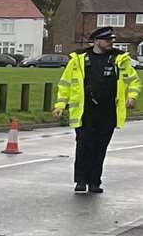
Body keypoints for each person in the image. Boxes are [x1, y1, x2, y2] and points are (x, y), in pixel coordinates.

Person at [54, 26, 139, 194]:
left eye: (112, 40)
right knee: (84, 146)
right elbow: (65, 84)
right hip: (85, 112)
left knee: (100, 149)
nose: (111, 43)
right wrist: (60, 105)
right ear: (97, 41)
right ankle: (80, 181)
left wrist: (132, 97)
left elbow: (134, 81)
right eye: (108, 40)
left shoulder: (119, 60)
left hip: (108, 112)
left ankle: (94, 182)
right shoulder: (78, 60)